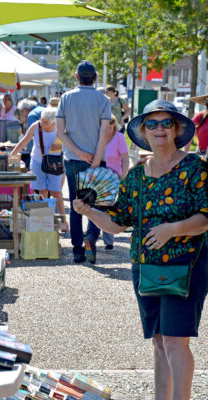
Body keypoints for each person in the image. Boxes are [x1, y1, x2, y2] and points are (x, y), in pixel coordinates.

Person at [73, 99, 208, 400]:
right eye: (152, 123)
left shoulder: (195, 167)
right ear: (143, 131)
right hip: (146, 267)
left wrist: (172, 229)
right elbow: (118, 224)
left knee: (176, 342)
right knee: (159, 341)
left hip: (186, 265)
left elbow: (205, 217)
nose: (159, 129)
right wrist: (89, 212)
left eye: (166, 123)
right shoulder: (135, 175)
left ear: (177, 129)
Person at [56, 60, 112, 264]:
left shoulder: (66, 98)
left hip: (72, 159)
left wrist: (79, 153)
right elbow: (105, 133)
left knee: (76, 204)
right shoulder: (103, 100)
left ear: (77, 77)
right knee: (97, 205)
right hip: (97, 159)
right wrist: (95, 159)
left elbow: (60, 132)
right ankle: (92, 236)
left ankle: (77, 250)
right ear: (95, 77)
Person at [11, 107, 68, 230]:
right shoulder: (36, 126)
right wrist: (12, 154)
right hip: (38, 162)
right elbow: (24, 141)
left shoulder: (60, 127)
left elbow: (68, 143)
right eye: (42, 120)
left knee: (56, 192)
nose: (42, 123)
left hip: (55, 164)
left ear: (53, 121)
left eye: (46, 122)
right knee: (42, 191)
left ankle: (63, 221)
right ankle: (46, 221)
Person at [102, 113, 129, 251]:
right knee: (95, 207)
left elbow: (125, 159)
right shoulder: (98, 136)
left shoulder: (119, 137)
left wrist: (123, 176)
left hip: (114, 177)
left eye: (111, 126)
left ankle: (108, 240)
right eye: (107, 126)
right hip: (98, 176)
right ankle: (92, 236)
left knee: (108, 207)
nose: (109, 129)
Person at [18, 98, 45, 167]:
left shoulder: (32, 115)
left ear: (26, 109)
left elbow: (31, 137)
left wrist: (32, 154)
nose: (22, 114)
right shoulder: (42, 109)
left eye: (21, 112)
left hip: (40, 154)